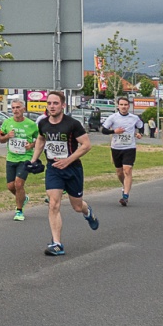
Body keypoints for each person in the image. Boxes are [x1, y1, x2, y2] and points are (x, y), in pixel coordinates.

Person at [28, 91, 99, 256]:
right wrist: (33, 160)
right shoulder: (43, 123)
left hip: (72, 168)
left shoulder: (72, 124)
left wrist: (68, 160)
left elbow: (86, 145)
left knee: (76, 206)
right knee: (53, 203)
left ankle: (88, 213)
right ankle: (57, 244)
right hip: (53, 168)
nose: (52, 106)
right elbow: (40, 139)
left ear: (63, 105)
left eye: (55, 103)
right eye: (49, 103)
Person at [0, 98, 40, 221]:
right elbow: (0, 139)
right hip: (11, 157)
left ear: (24, 109)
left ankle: (19, 211)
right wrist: (7, 136)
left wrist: (31, 145)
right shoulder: (7, 123)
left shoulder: (31, 125)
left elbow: (40, 140)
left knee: (18, 183)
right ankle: (23, 198)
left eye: (18, 107)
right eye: (13, 108)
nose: (15, 110)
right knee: (11, 186)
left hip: (25, 158)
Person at [101, 97, 144, 206]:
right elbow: (104, 130)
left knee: (127, 170)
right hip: (116, 147)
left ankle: (125, 196)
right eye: (121, 104)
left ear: (128, 106)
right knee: (119, 172)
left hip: (129, 147)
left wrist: (139, 133)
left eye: (125, 105)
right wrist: (114, 131)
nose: (124, 107)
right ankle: (125, 186)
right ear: (118, 106)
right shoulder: (113, 117)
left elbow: (141, 125)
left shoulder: (134, 118)